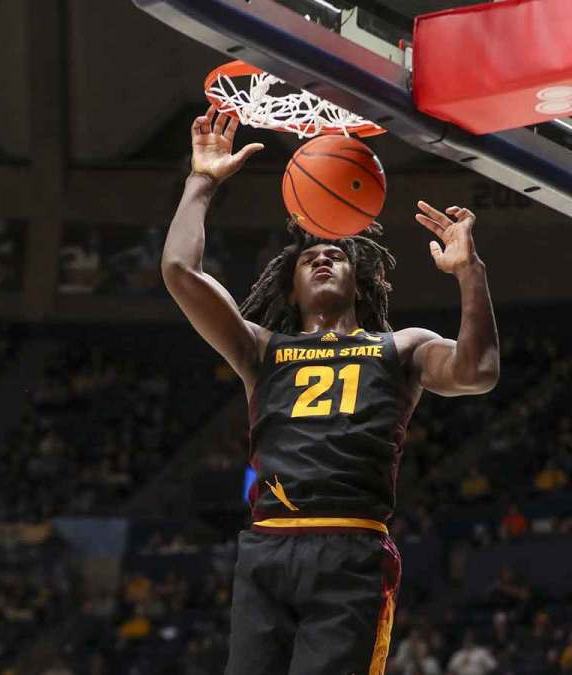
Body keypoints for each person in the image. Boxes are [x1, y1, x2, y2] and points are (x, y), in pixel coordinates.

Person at [162, 107, 499, 675]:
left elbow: (477, 371)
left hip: (353, 551)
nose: (322, 255)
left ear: (359, 282)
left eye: (337, 254)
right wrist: (202, 180)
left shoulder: (402, 347)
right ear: (290, 289)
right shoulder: (260, 348)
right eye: (309, 256)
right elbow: (178, 270)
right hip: (267, 545)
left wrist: (470, 274)